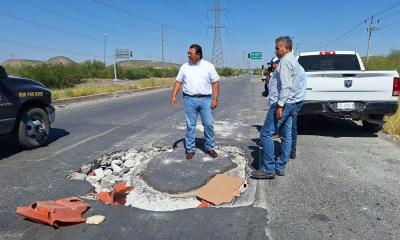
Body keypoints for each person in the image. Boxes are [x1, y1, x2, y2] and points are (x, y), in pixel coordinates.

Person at [251, 36, 303, 179]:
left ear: (286, 48)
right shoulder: (296, 63)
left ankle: (268, 168)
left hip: (283, 104)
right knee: (287, 136)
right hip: (292, 103)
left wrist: (280, 105)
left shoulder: (285, 61)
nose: (276, 51)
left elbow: (286, 86)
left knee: (265, 134)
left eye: (277, 48)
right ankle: (280, 166)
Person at [170, 44, 220, 160]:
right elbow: (178, 82)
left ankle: (209, 147)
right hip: (189, 99)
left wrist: (215, 99)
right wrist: (173, 96)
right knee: (190, 125)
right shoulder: (184, 67)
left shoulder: (208, 66)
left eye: (190, 53)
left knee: (208, 124)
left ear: (198, 54)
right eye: (188, 53)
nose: (188, 55)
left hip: (206, 100)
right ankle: (190, 149)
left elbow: (215, 83)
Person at [290, 59, 306, 159]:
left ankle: (290, 151)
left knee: (289, 128)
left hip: (293, 101)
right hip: (296, 100)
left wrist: (281, 104)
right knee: (291, 127)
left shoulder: (295, 68)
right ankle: (290, 151)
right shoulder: (299, 67)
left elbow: (291, 89)